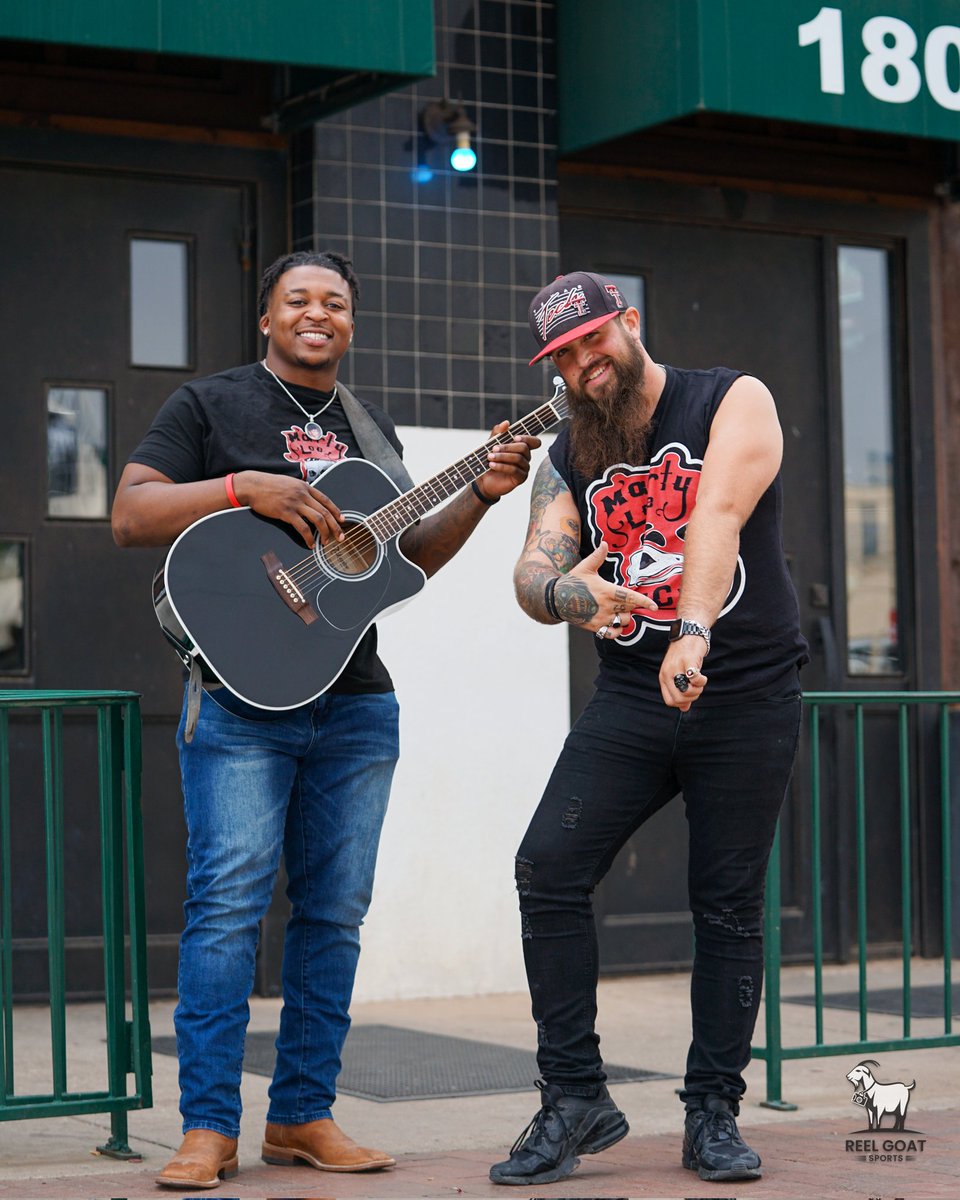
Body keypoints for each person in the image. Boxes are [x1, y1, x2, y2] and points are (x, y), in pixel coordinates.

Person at [111, 250, 540, 1191]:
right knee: (224, 912)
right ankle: (208, 1129)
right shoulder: (211, 405)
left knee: (334, 916)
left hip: (354, 703)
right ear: (266, 318)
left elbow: (402, 560)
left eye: (336, 303)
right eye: (299, 300)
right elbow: (131, 513)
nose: (319, 313)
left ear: (350, 324)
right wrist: (245, 489)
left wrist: (479, 491)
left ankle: (302, 1114)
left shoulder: (369, 430)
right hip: (237, 703)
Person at [490, 271, 808, 1187]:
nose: (587, 365)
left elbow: (717, 513)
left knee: (727, 904)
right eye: (565, 356)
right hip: (632, 695)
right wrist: (563, 592)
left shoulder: (732, 399)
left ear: (629, 324)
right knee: (547, 867)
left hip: (743, 689)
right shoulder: (571, 451)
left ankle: (712, 1112)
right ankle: (575, 1098)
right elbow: (531, 569)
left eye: (596, 341)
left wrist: (695, 631)